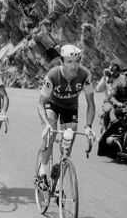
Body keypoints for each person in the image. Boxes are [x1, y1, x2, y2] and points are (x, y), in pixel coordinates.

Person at [37, 44, 95, 190]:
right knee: (50, 135)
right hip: (52, 104)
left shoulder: (85, 75)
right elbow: (40, 104)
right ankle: (42, 173)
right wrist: (47, 125)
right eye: (69, 61)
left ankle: (57, 185)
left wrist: (88, 126)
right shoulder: (52, 75)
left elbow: (91, 103)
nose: (74, 65)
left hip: (70, 107)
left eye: (77, 61)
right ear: (62, 62)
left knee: (67, 147)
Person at [95, 63, 124, 129]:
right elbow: (98, 89)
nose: (113, 74)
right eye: (112, 72)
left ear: (119, 71)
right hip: (108, 101)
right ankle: (106, 129)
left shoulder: (123, 78)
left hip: (120, 100)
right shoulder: (106, 78)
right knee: (108, 110)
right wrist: (104, 78)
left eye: (115, 72)